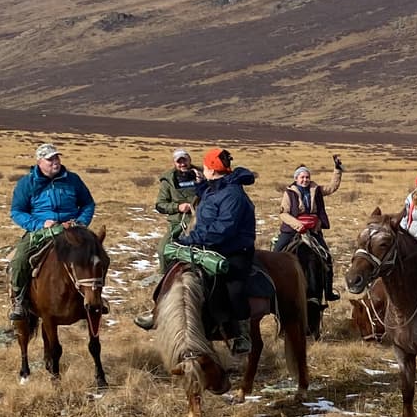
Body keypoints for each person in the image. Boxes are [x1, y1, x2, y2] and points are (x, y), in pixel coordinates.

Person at [7, 142, 95, 321]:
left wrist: (80, 222)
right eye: (50, 159)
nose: (55, 162)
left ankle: (96, 298)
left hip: (72, 229)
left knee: (96, 256)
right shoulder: (27, 183)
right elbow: (17, 211)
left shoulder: (73, 180)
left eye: (57, 158)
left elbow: (88, 204)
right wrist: (40, 224)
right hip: (41, 231)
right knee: (19, 260)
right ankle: (19, 301)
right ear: (39, 162)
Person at [184, 146, 259, 352]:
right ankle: (158, 311)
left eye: (205, 167)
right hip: (207, 245)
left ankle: (242, 334)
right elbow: (211, 197)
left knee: (234, 288)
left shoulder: (233, 194)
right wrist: (200, 184)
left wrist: (192, 239)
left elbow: (224, 228)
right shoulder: (215, 187)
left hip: (234, 250)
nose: (203, 170)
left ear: (212, 169)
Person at [130, 149, 203, 330]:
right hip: (178, 225)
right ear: (174, 163)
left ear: (189, 160)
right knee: (163, 250)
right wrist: (178, 207)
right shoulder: (168, 180)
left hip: (202, 224)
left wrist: (202, 184)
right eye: (179, 161)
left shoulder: (201, 175)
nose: (182, 164)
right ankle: (163, 286)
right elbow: (160, 204)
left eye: (184, 160)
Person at [272, 157, 344, 300]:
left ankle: (328, 292)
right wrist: (298, 225)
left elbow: (332, 187)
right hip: (293, 228)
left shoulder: (316, 189)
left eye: (307, 177)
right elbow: (283, 213)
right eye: (302, 177)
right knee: (276, 254)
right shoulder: (289, 193)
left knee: (326, 257)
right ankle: (272, 289)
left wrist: (337, 170)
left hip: (312, 230)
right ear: (296, 179)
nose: (305, 180)